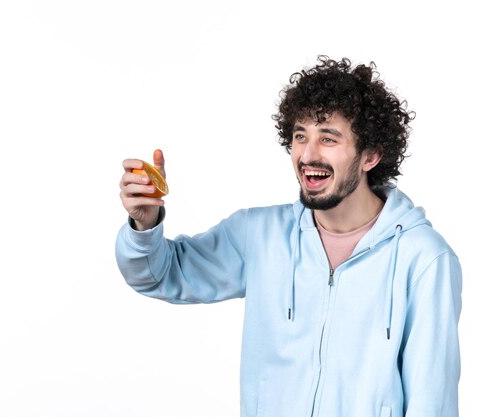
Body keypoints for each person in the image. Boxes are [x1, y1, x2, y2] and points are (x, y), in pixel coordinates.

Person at [115, 56, 462, 417]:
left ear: (370, 155)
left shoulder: (424, 260)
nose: (308, 155)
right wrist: (145, 224)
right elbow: (159, 275)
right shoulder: (259, 236)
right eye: (300, 136)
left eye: (328, 138)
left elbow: (432, 402)